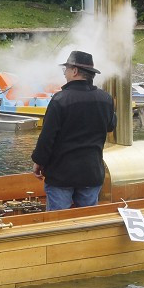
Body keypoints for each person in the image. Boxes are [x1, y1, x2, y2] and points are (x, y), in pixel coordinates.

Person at [31, 50, 116, 211]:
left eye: (66, 70)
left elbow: (47, 138)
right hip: (92, 173)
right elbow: (111, 125)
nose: (65, 74)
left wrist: (39, 161)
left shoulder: (60, 100)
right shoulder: (105, 99)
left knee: (58, 225)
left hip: (61, 174)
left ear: (75, 71)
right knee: (87, 223)